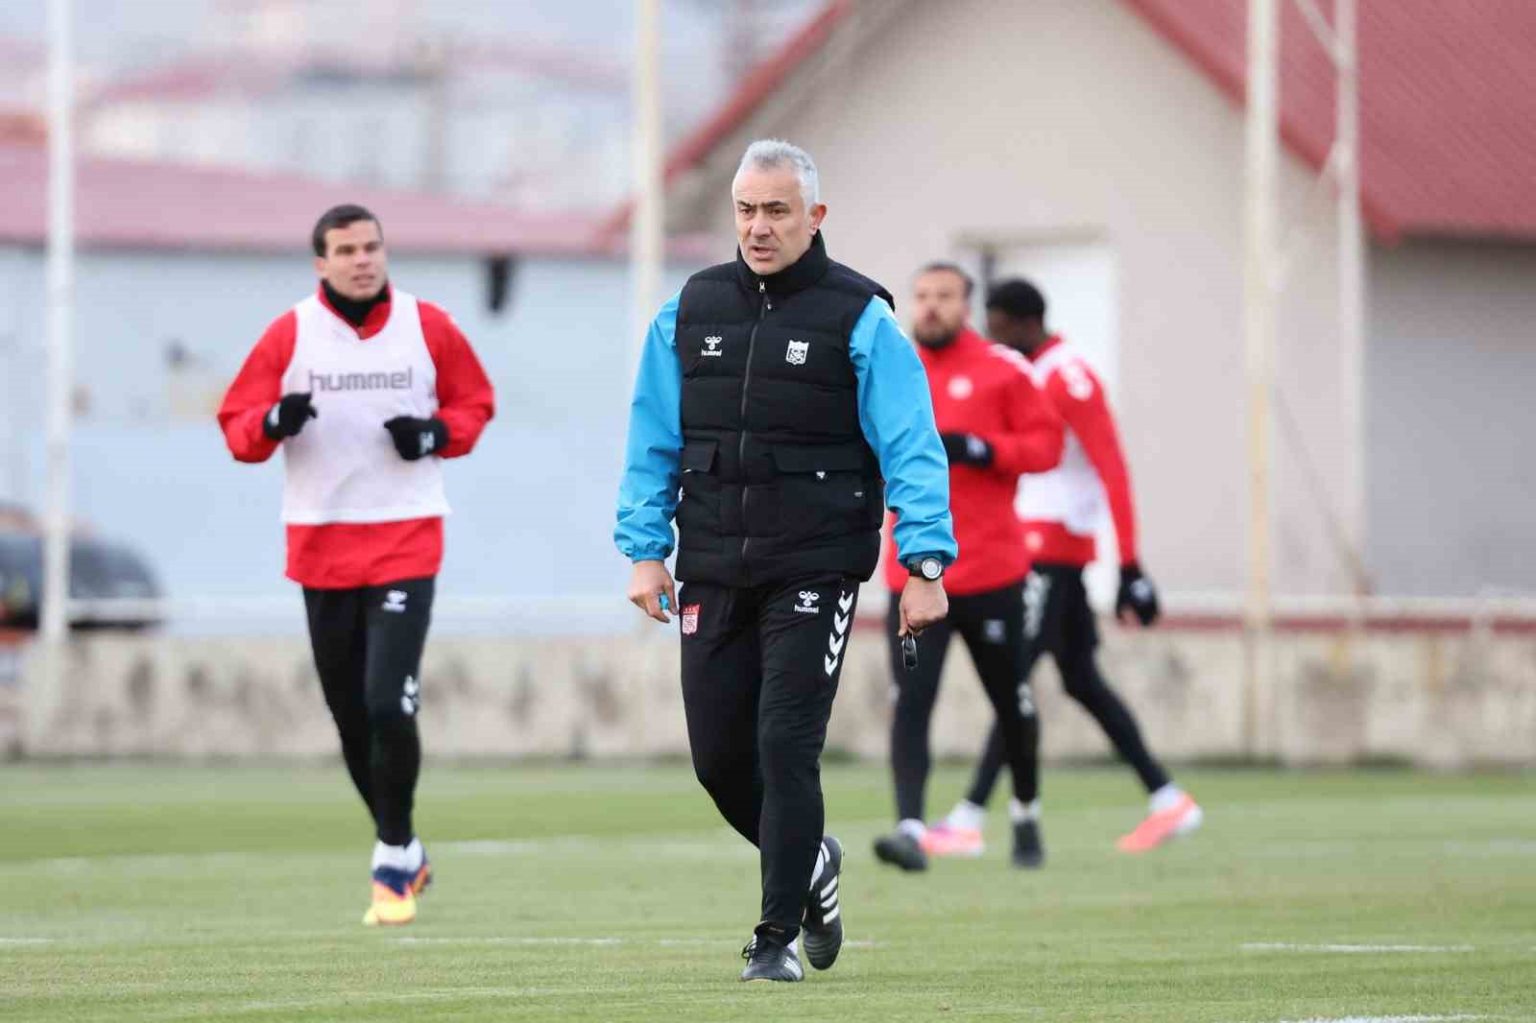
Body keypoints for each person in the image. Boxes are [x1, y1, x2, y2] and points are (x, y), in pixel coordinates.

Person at [615, 140, 955, 983]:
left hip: (816, 565)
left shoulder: (862, 317)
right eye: (746, 209)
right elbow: (652, 437)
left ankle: (773, 940)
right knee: (718, 760)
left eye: (776, 210)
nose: (758, 227)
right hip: (713, 563)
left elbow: (912, 445)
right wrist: (645, 551)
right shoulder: (687, 312)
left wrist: (925, 564)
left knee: (783, 743)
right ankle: (813, 865)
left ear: (814, 216)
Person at [217, 204, 494, 926]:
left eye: (372, 246)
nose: (363, 259)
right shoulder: (291, 333)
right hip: (321, 545)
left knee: (386, 701)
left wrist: (434, 432)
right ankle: (403, 840)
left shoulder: (427, 325)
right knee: (349, 715)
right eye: (346, 250)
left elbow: (475, 404)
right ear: (322, 262)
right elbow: (237, 425)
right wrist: (273, 422)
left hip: (406, 539)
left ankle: (392, 852)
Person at [926, 278, 1200, 864]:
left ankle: (970, 817)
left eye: (1000, 331)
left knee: (1012, 679)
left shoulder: (1067, 376)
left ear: (1026, 324)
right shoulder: (1029, 372)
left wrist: (1130, 563)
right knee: (1078, 678)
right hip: (1044, 545)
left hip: (1051, 548)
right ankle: (1168, 798)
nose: (994, 343)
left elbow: (1111, 466)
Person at [870, 263, 1063, 874]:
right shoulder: (890, 368)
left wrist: (984, 449)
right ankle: (910, 828)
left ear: (967, 304)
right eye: (922, 295)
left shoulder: (1004, 370)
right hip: (912, 577)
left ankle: (1025, 812)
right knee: (911, 702)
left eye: (944, 296)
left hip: (993, 573)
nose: (930, 306)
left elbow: (1048, 446)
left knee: (1012, 703)